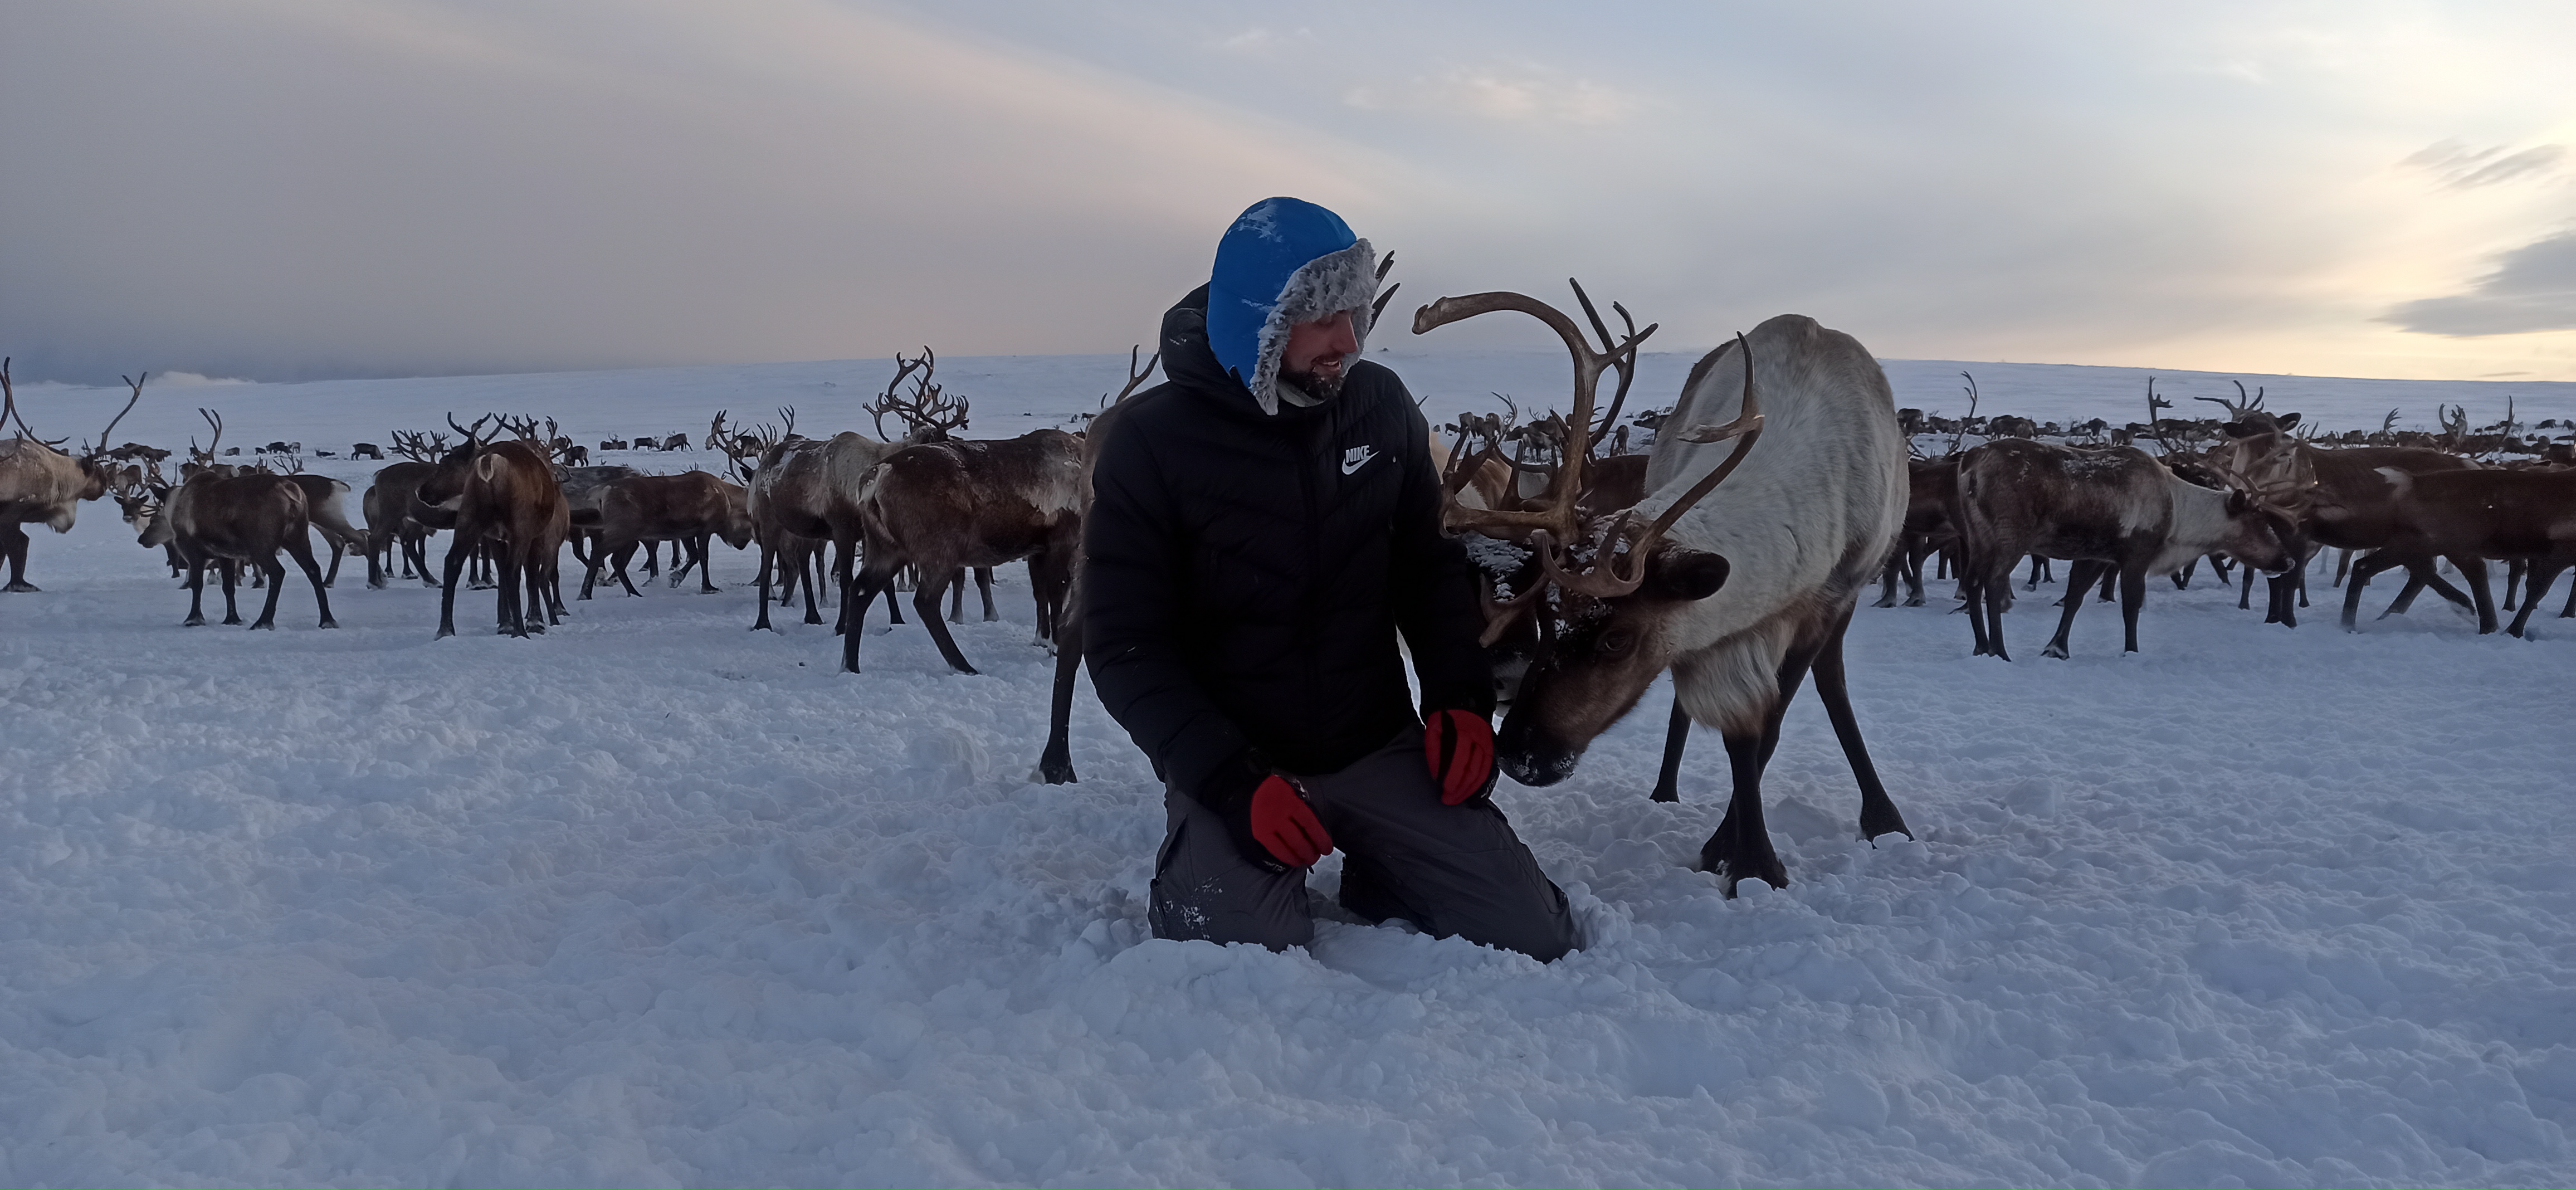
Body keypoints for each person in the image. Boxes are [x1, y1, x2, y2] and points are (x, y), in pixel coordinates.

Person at [1082, 197, 1577, 962]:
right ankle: (1198, 856)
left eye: (1356, 313)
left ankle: (1386, 866)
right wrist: (1227, 780)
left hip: (1370, 741)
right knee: (1243, 952)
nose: (1348, 339)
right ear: (1260, 322)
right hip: (1240, 760)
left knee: (1534, 934)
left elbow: (1426, 569)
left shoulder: (1378, 408)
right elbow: (1124, 646)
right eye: (1322, 319)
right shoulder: (1152, 444)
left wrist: (1459, 696)